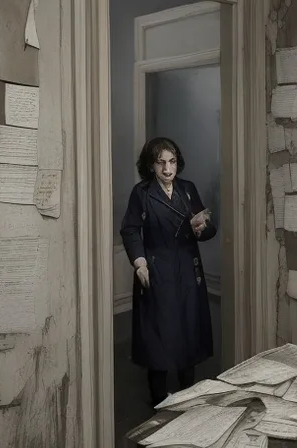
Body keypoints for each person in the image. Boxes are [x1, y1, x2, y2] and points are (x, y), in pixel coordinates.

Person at [120, 137, 217, 407]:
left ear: (177, 164)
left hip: (187, 269)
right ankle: (159, 401)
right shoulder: (141, 193)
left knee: (188, 331)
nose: (167, 169)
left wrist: (202, 227)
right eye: (161, 162)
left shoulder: (188, 190)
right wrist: (139, 262)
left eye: (172, 162)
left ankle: (188, 396)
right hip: (156, 270)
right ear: (151, 165)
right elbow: (129, 229)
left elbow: (208, 227)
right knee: (158, 337)